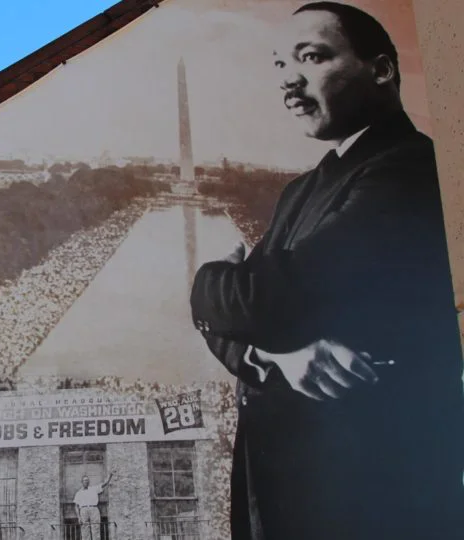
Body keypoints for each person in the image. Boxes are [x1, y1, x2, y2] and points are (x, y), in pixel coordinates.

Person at [189, 2, 464, 539]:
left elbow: (261, 301)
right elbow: (246, 319)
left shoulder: (408, 169)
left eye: (311, 57)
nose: (288, 81)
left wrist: (204, 282)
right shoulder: (303, 190)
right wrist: (277, 353)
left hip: (366, 497)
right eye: (279, 65)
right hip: (286, 498)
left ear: (381, 69)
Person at [73, 471, 113, 539]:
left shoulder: (94, 489)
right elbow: (76, 506)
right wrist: (79, 517)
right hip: (83, 510)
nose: (86, 482)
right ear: (82, 482)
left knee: (96, 528)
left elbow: (104, 484)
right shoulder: (78, 493)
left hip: (94, 509)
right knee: (85, 530)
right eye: (85, 480)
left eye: (87, 480)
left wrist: (110, 476)